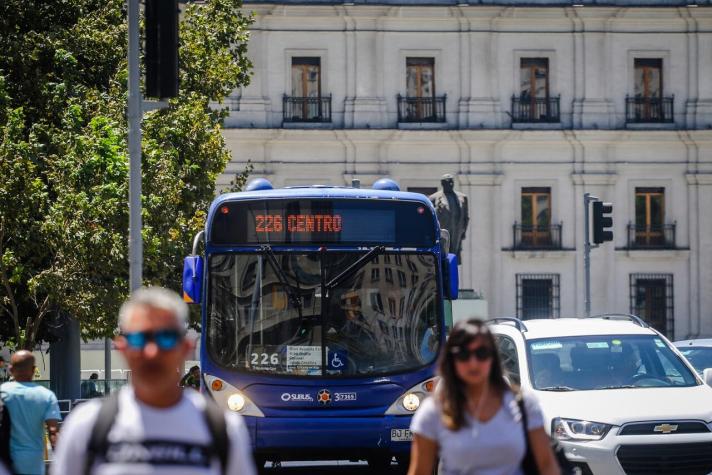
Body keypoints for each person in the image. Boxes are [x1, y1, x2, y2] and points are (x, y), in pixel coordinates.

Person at [53, 287, 257, 475]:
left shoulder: (224, 429)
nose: (152, 352)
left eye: (166, 338)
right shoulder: (86, 426)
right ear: (122, 348)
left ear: (186, 348)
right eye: (139, 339)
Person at [408, 319, 560, 475]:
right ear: (451, 359)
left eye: (481, 353)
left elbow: (547, 465)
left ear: (493, 358)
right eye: (464, 354)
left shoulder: (525, 405)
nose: (473, 363)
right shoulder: (432, 412)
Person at [0, 350, 61, 475]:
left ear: (11, 369)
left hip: (5, 463)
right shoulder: (47, 396)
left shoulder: (2, 392)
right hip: (34, 464)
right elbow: (53, 432)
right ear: (33, 370)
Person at [429, 174, 470, 262]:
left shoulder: (463, 198)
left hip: (457, 230)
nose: (451, 184)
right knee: (442, 256)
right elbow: (430, 219)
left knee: (454, 256)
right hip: (442, 231)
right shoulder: (434, 198)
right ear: (442, 183)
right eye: (448, 182)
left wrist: (464, 232)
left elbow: (466, 217)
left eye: (452, 182)